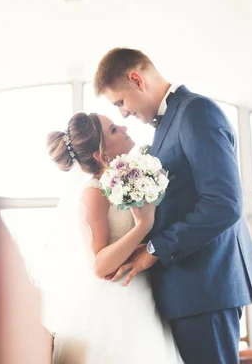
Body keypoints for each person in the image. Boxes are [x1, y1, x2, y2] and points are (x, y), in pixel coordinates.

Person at [93, 47, 252, 364]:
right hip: (187, 290)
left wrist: (152, 250)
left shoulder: (196, 112)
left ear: (137, 80)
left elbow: (224, 203)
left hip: (205, 287)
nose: (122, 113)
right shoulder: (168, 123)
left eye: (120, 102)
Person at [43, 112, 183, 363]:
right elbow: (100, 265)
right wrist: (142, 226)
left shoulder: (134, 178)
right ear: (102, 156)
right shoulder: (95, 192)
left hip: (145, 289)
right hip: (120, 300)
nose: (123, 125)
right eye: (114, 130)